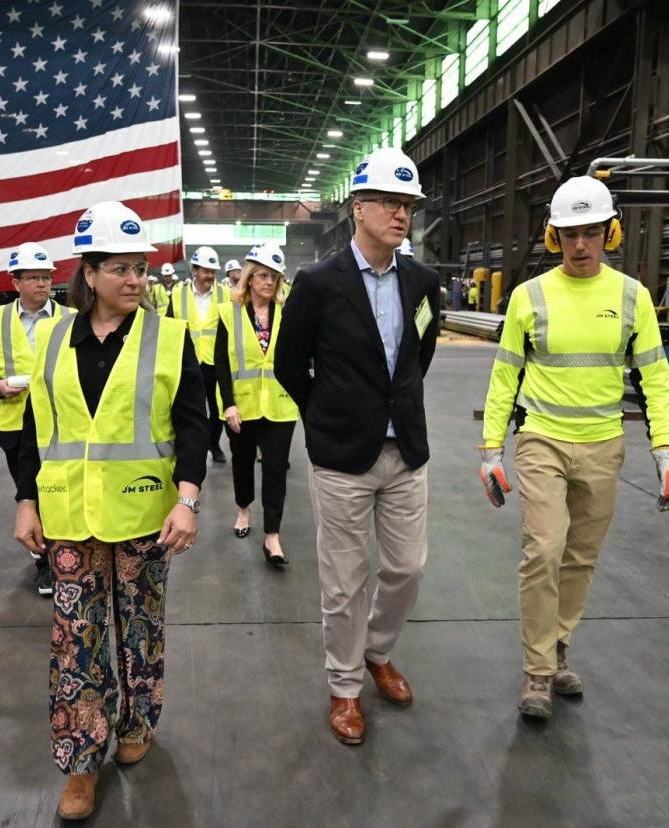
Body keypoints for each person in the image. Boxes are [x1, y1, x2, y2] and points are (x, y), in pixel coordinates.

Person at [13, 201, 208, 820]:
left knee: (140, 630)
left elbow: (194, 424)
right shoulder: (48, 337)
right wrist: (25, 500)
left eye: (141, 268)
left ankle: (137, 721)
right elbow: (32, 430)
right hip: (70, 514)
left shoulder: (168, 336)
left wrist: (187, 499)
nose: (135, 280)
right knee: (76, 641)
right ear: (89, 272)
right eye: (121, 268)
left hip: (147, 516)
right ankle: (79, 763)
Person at [478, 175, 669, 721]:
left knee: (579, 558)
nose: (579, 245)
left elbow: (655, 378)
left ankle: (559, 646)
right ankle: (538, 673)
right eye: (569, 234)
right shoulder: (530, 297)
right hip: (541, 441)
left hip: (603, 445)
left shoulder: (631, 297)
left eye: (590, 233)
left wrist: (665, 451)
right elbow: (505, 378)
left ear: (609, 232)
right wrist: (490, 450)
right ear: (553, 236)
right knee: (543, 551)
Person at [275, 147, 440, 746]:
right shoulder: (318, 283)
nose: (402, 215)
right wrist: (325, 417)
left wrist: (397, 407)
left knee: (407, 567)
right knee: (344, 580)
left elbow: (421, 357)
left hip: (404, 452)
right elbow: (291, 365)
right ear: (359, 207)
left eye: (409, 205)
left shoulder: (423, 282)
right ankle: (345, 688)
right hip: (342, 455)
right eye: (392, 203)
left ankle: (377, 651)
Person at [0, 243, 73, 596]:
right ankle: (45, 566)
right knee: (30, 495)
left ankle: (67, 559)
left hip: (60, 425)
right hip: (14, 425)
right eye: (33, 278)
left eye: (46, 277)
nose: (42, 284)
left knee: (61, 492)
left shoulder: (69, 318)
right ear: (16, 282)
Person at [214, 243, 299, 569]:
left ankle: (272, 535)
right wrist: (228, 405)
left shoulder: (287, 313)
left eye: (274, 277)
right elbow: (221, 363)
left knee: (276, 468)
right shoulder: (229, 313)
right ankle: (243, 509)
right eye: (262, 275)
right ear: (249, 278)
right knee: (243, 462)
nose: (268, 282)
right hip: (243, 407)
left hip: (279, 406)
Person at [168, 246, 229, 463]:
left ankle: (213, 444)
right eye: (206, 271)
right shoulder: (178, 294)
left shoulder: (226, 294)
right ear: (195, 270)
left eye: (213, 271)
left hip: (216, 362)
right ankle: (190, 448)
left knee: (218, 409)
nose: (210, 276)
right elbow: (170, 328)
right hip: (188, 362)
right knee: (188, 409)